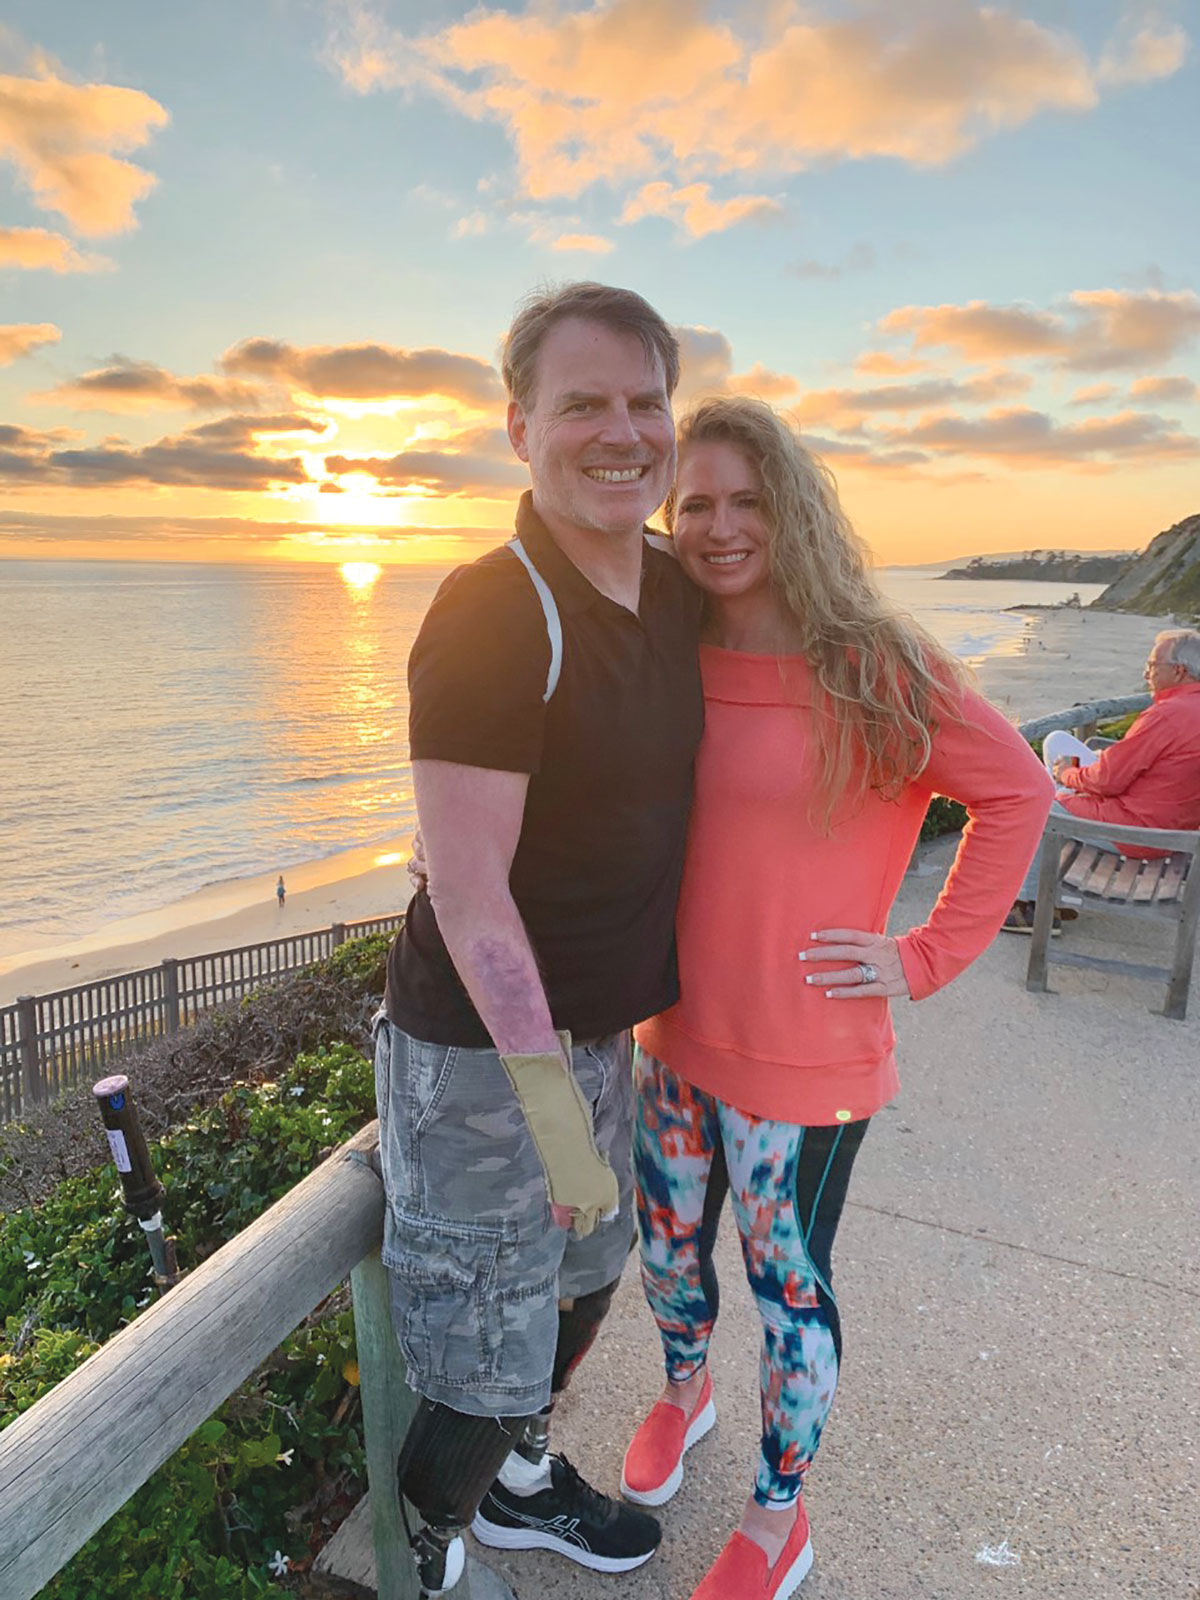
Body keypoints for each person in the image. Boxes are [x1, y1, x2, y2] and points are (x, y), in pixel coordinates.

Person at [618, 398, 1053, 1600]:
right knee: (664, 1255)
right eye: (693, 503)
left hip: (806, 1063)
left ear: (792, 506)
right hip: (671, 1033)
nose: (717, 525)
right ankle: (683, 1390)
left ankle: (778, 1515)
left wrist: (919, 956)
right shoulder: (667, 650)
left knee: (788, 1286)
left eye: (746, 499)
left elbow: (1018, 793)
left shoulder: (874, 664)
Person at [375, 283, 703, 1595]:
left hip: (598, 1031)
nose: (621, 432)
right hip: (479, 1057)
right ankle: (426, 1541)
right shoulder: (495, 611)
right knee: (478, 1338)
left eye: (644, 403)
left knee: (586, 1268)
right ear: (520, 425)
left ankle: (515, 1477)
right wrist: (552, 1114)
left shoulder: (673, 588)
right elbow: (467, 896)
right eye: (584, 405)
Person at [1003, 628, 1200, 932]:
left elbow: (1109, 781)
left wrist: (1067, 774)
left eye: (1152, 666)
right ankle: (1061, 813)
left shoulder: (1168, 715)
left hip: (1140, 830)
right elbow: (1128, 768)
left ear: (1178, 671)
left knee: (1037, 806)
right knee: (1057, 742)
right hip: (1172, 824)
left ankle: (1031, 908)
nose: (1146, 673)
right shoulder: (1188, 708)